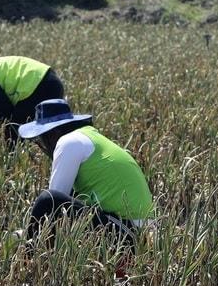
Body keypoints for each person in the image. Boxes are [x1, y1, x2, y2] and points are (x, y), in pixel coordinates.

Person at [16, 99, 153, 246]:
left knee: (47, 199)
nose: (44, 149)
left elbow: (52, 206)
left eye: (42, 142)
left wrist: (26, 233)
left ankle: (26, 254)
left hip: (125, 233)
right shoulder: (91, 138)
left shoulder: (69, 142)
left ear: (52, 135)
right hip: (139, 232)